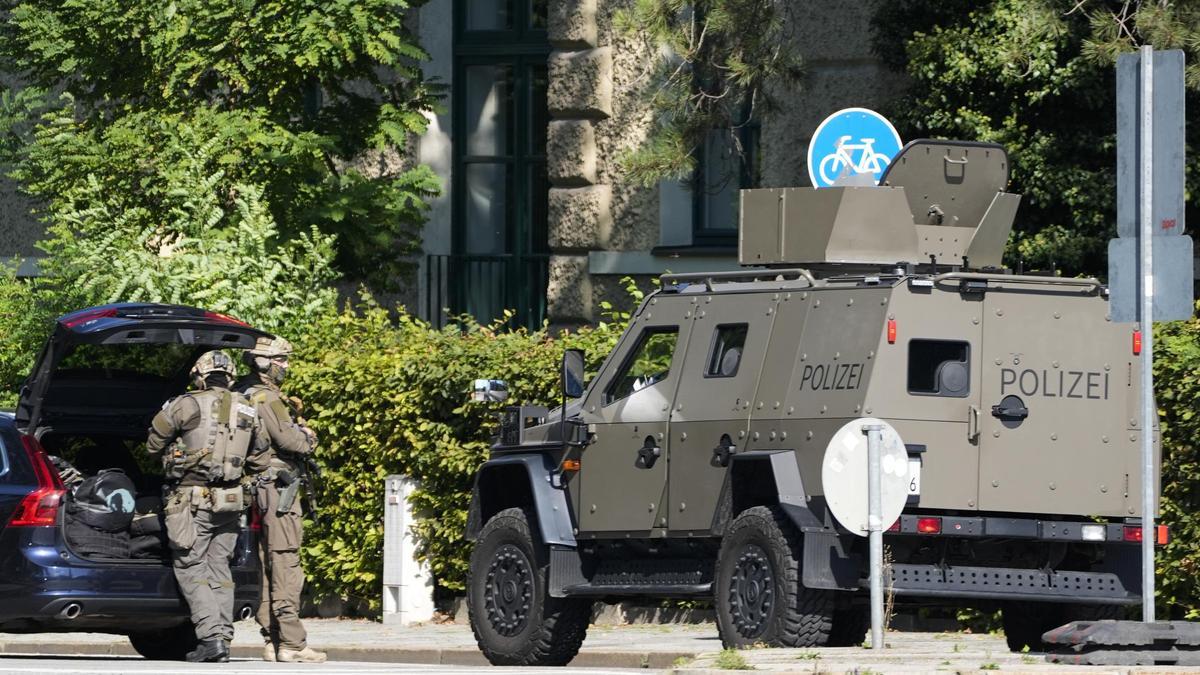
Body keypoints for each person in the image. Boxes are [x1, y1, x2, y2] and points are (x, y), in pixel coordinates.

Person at [147, 350, 269, 663]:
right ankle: (224, 639)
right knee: (220, 568)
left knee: (191, 566)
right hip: (231, 502)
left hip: (192, 501)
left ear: (200, 375)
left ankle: (211, 637)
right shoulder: (248, 408)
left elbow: (152, 444)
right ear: (229, 376)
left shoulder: (186, 403)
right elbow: (260, 458)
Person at [236, 336, 326, 664]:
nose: (286, 366)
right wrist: (309, 436)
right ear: (265, 363)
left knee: (262, 562)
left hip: (250, 489)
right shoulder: (268, 398)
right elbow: (291, 441)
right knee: (286, 560)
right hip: (277, 489)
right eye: (281, 360)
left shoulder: (239, 392)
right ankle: (292, 643)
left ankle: (271, 641)